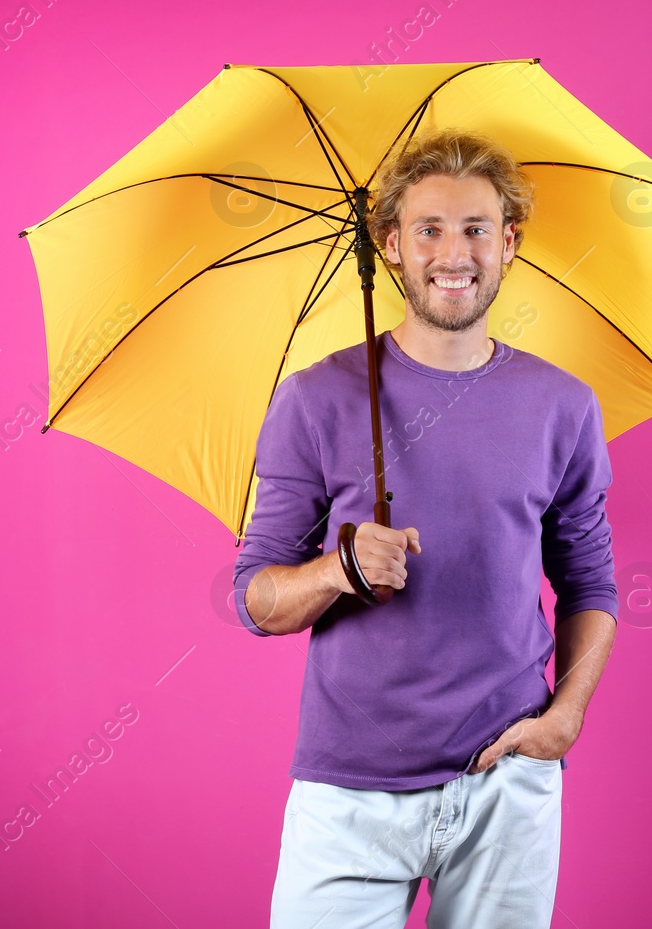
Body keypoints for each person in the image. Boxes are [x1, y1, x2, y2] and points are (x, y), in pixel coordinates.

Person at [233, 127, 618, 928]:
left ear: (508, 242)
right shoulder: (314, 397)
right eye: (429, 229)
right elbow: (256, 597)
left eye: (477, 228)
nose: (455, 252)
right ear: (391, 245)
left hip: (506, 784)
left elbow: (590, 581)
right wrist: (338, 567)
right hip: (350, 792)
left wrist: (566, 714)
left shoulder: (565, 405)